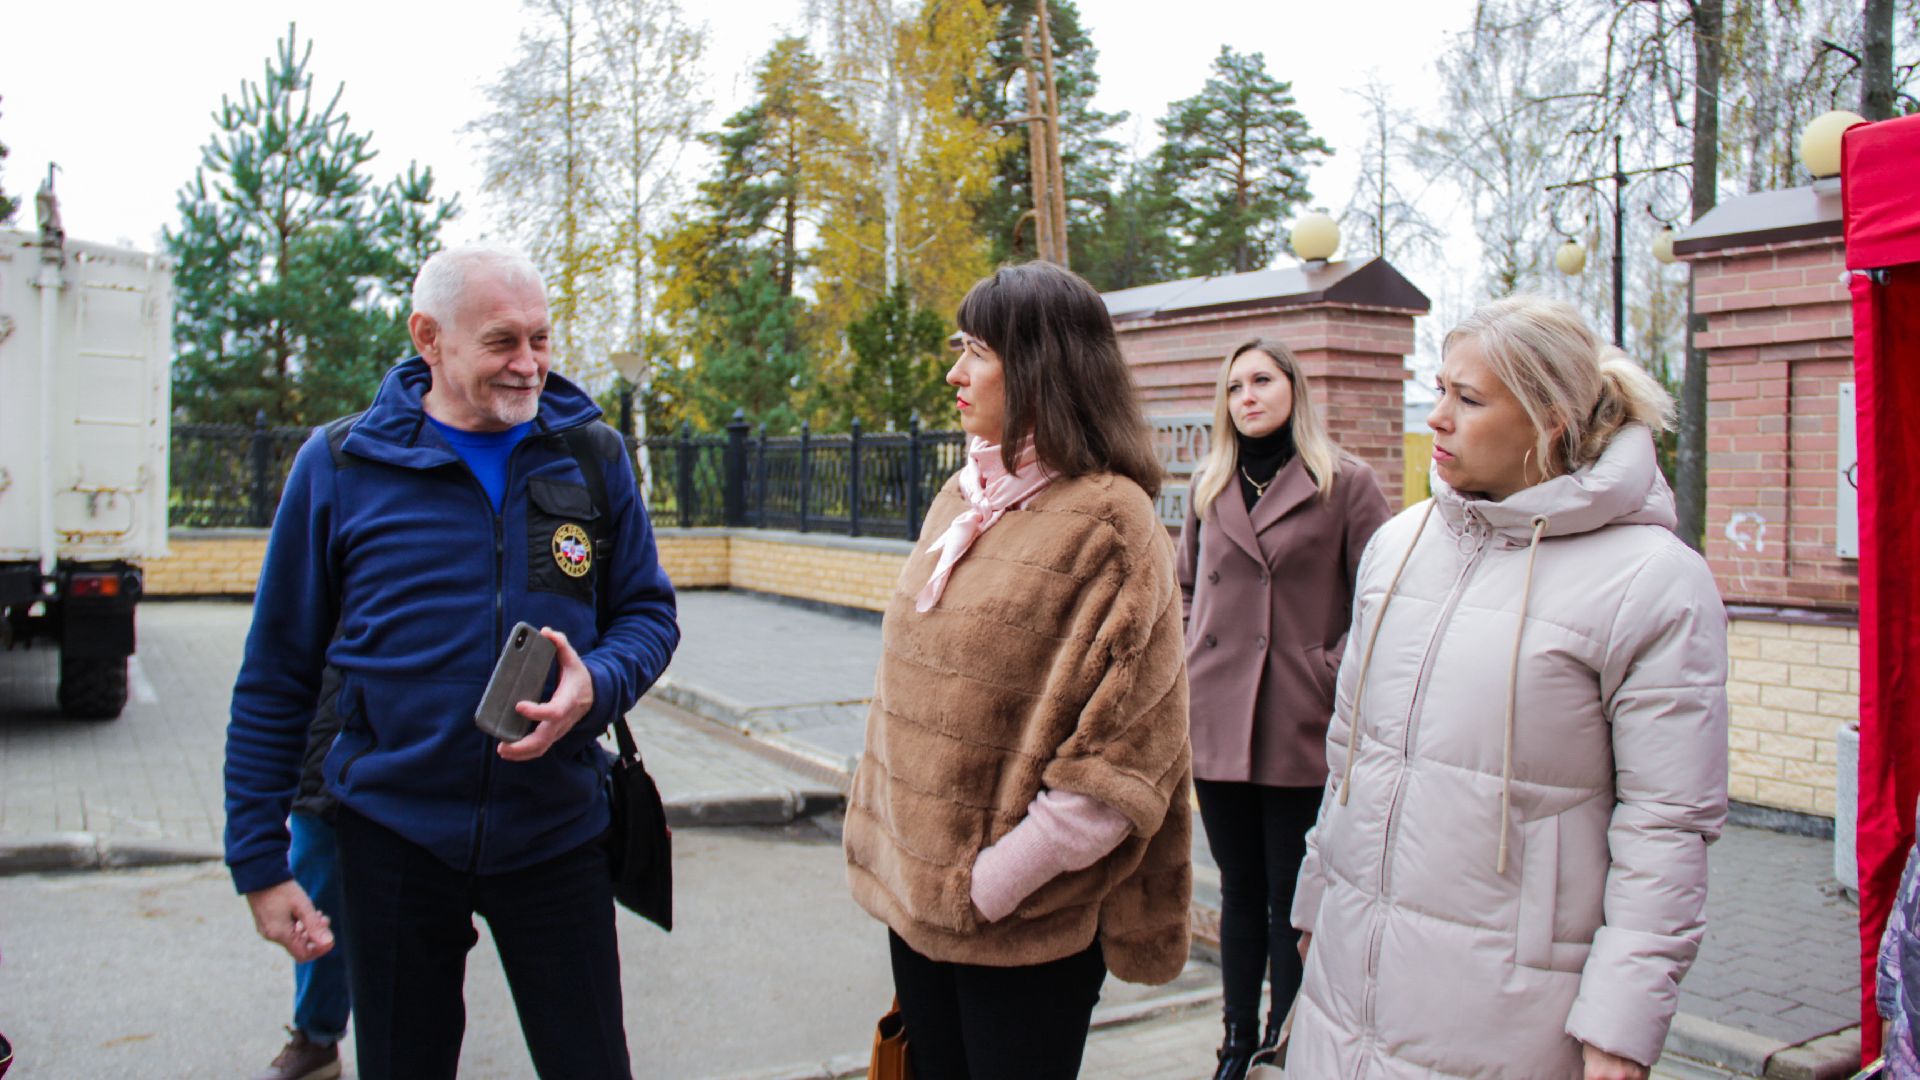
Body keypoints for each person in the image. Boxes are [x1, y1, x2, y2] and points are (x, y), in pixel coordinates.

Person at [223, 245, 680, 1080]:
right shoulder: (340, 466)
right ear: (428, 337)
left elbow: (648, 615)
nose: (530, 364)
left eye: (542, 339)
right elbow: (275, 676)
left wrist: (597, 686)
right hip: (393, 842)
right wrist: (259, 860)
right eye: (503, 341)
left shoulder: (590, 455)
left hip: (557, 833)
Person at [1289, 296, 1729, 1079]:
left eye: (1469, 398)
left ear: (1548, 419)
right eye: (1439, 389)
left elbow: (1667, 826)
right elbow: (1353, 756)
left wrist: (1620, 1029)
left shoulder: (1655, 582)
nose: (1439, 418)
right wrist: (1316, 905)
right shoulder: (1399, 545)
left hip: (1511, 1013)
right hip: (1347, 985)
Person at [843, 261, 1194, 1080]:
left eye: (976, 351)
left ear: (1041, 366)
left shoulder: (1111, 522)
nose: (954, 372)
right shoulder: (963, 494)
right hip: (918, 909)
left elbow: (1126, 756)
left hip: (1019, 926)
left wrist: (989, 887)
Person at [1176, 339, 1390, 1079]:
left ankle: (1285, 1040)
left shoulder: (1346, 484)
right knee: (1237, 893)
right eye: (1234, 386)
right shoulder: (1212, 486)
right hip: (1219, 722)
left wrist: (1325, 671)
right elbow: (1184, 591)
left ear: (1294, 389)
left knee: (1288, 901)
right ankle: (1236, 1042)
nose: (1247, 397)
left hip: (1299, 722)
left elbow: (1379, 604)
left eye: (1261, 380)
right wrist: (1192, 655)